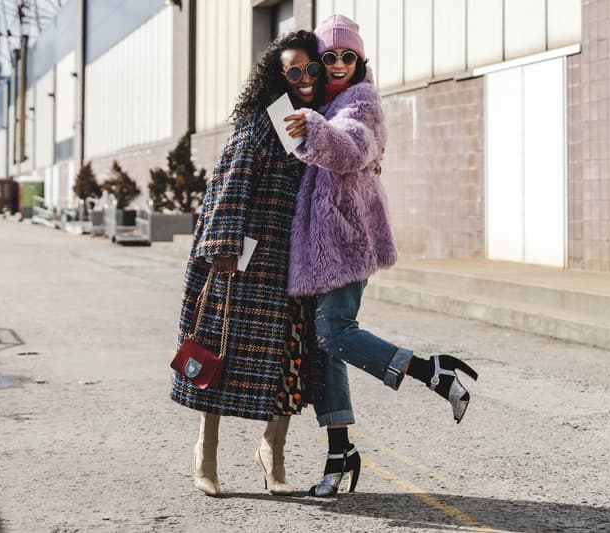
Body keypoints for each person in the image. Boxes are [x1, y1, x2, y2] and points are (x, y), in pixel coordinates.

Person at [284, 15, 479, 497]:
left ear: (360, 62)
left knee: (334, 332)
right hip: (319, 248)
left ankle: (431, 372)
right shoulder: (324, 101)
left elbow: (351, 148)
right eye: (329, 57)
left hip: (350, 240)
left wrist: (311, 126)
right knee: (321, 345)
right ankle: (340, 452)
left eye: (348, 57)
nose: (338, 65)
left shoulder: (361, 101)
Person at [170, 30, 324, 497]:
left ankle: (271, 452)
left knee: (289, 359)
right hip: (246, 255)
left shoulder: (317, 122)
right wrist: (223, 245)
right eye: (292, 71)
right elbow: (230, 179)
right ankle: (206, 452)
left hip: (295, 258)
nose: (303, 78)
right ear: (277, 77)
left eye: (310, 68)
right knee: (220, 350)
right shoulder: (261, 120)